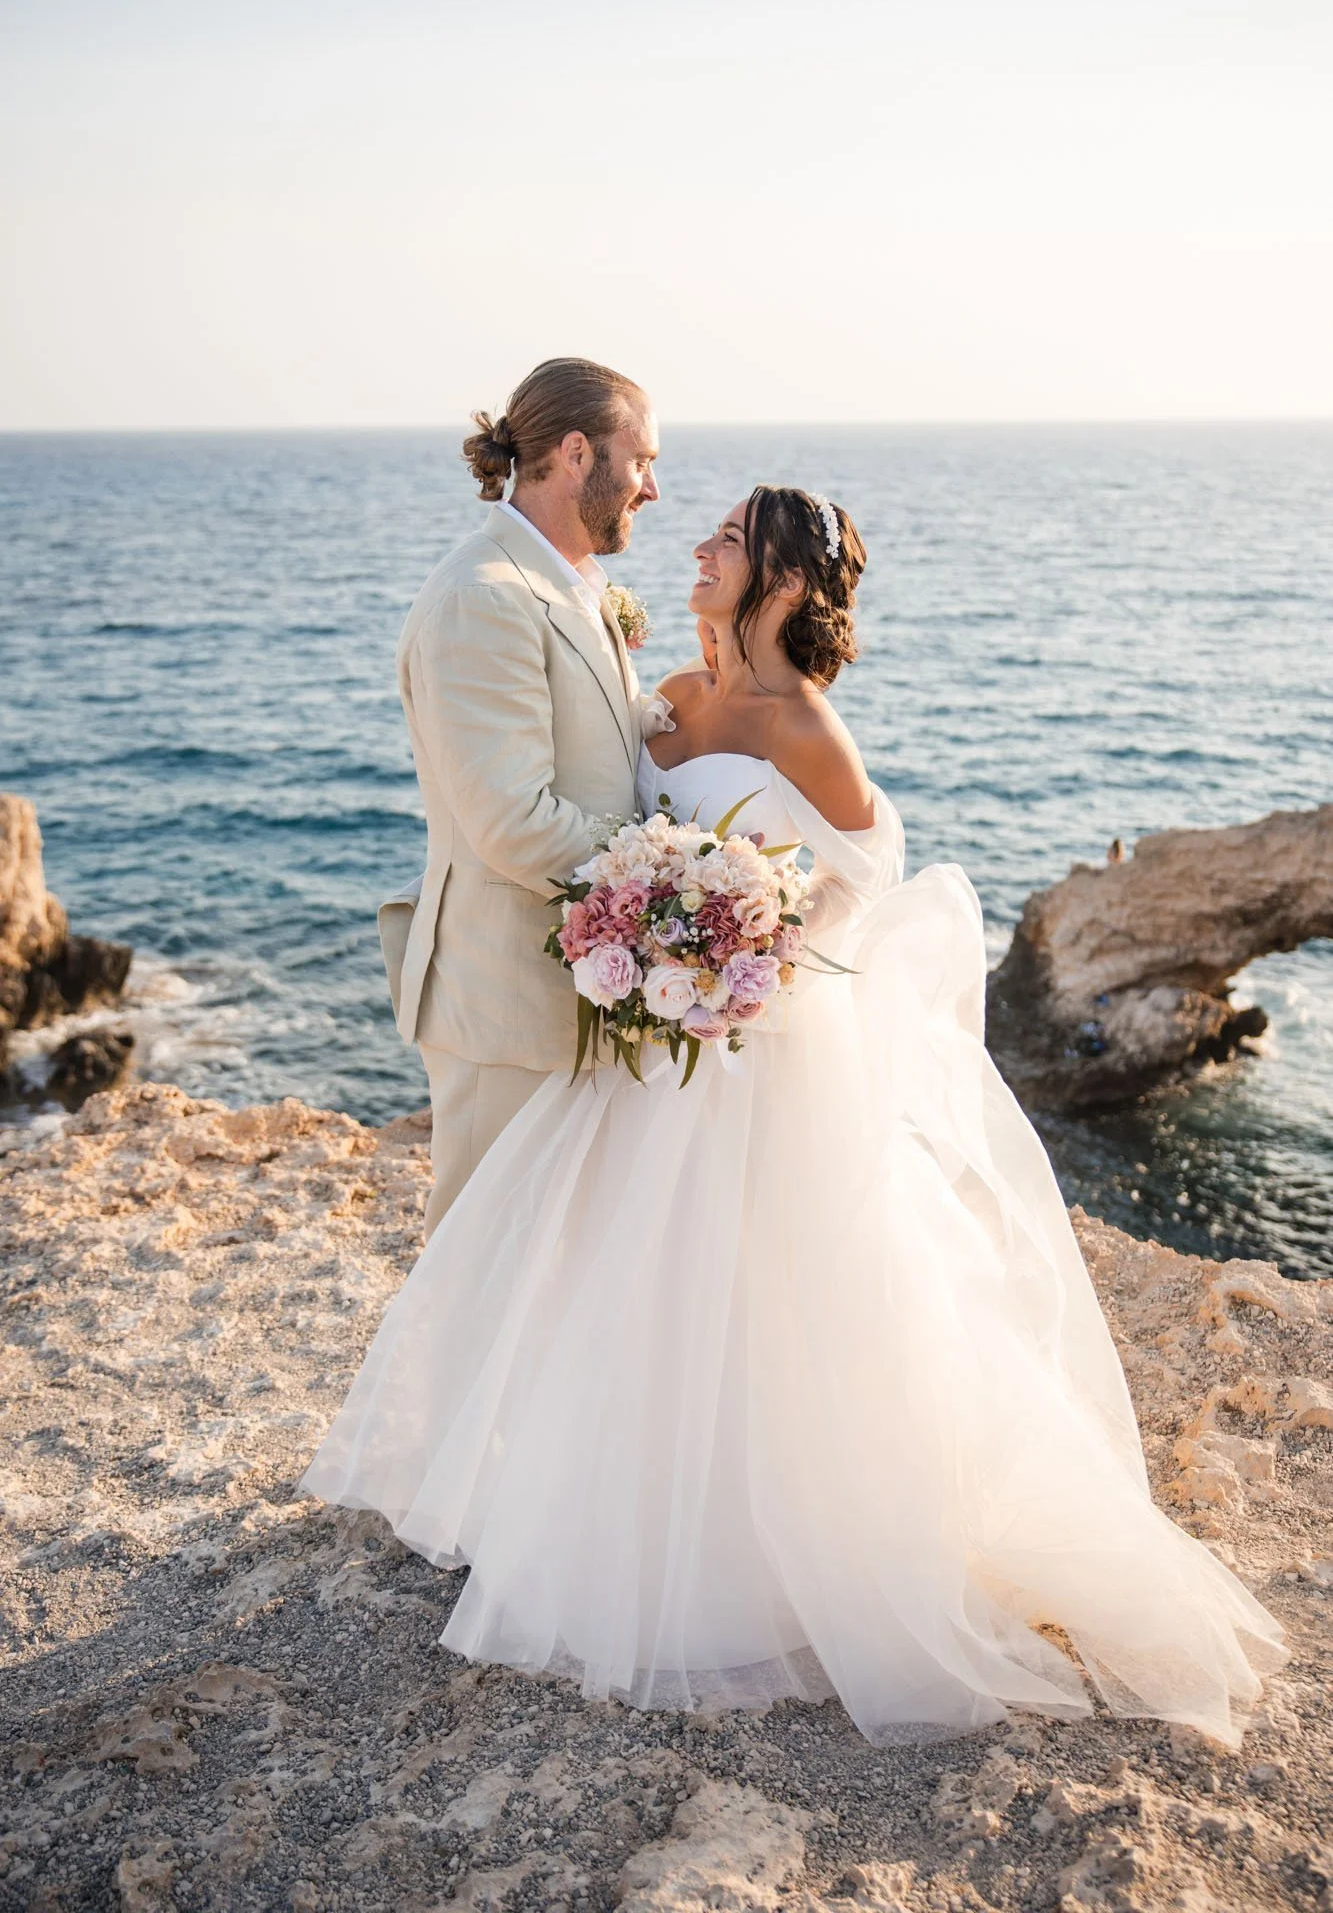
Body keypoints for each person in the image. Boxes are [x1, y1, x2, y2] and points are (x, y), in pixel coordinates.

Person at [300, 484, 1285, 1747]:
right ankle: (614, 1513)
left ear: (774, 581)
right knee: (635, 1282)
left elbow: (873, 864)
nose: (697, 546)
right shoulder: (670, 693)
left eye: (724, 539)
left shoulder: (801, 721)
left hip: (760, 1048)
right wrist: (670, 946)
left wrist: (751, 958)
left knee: (765, 1295)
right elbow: (617, 814)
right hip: (656, 1042)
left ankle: (763, 1563)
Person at [379, 356, 659, 1238]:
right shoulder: (483, 598)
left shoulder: (572, 587)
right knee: (484, 1271)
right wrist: (676, 891)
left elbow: (599, 752)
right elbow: (514, 822)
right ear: (577, 454)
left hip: (576, 996)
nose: (650, 488)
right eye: (641, 460)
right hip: (503, 1003)